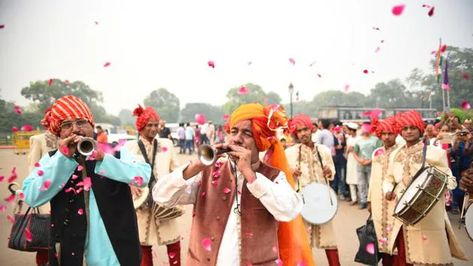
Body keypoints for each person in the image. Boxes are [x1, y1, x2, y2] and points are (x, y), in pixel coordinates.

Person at [153, 103, 314, 266]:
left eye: (247, 133)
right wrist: (196, 166)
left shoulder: (274, 177)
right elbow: (161, 196)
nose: (237, 139)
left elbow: (289, 210)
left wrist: (250, 175)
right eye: (234, 132)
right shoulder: (206, 172)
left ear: (259, 141)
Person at [22, 95, 151, 266]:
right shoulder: (51, 159)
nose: (75, 129)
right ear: (59, 133)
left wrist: (104, 158)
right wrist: (63, 159)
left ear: (91, 125)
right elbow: (30, 196)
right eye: (67, 125)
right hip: (69, 254)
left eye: (81, 122)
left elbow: (143, 176)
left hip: (115, 254)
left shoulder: (116, 151)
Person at [383, 110, 466, 265]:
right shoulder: (395, 155)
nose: (408, 131)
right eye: (405, 128)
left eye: (412, 128)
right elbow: (389, 178)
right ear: (400, 132)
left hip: (429, 212)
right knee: (404, 255)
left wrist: (438, 186)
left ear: (420, 129)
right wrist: (388, 190)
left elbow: (449, 179)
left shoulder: (435, 153)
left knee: (432, 255)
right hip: (403, 212)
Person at [127, 105, 181, 266]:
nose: (153, 128)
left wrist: (175, 187)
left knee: (174, 242)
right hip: (141, 203)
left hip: (163, 200)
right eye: (149, 125)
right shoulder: (130, 147)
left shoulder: (167, 144)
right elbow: (124, 172)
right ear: (141, 126)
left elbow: (176, 169)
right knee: (143, 245)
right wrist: (129, 184)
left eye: (156, 125)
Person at [285, 114, 340, 266]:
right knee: (303, 241)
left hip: (321, 200)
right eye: (299, 131)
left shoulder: (323, 150)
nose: (303, 133)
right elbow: (283, 175)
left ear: (311, 129)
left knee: (329, 239)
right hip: (302, 202)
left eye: (305, 130)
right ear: (296, 134)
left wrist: (329, 172)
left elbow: (332, 173)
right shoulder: (290, 153)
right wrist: (291, 172)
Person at [26, 109, 59, 266]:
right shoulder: (38, 140)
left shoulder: (68, 138)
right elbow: (33, 170)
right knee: (44, 242)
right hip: (45, 198)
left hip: (66, 197)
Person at [367, 116, 399, 265]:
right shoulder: (377, 153)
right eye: (383, 134)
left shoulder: (400, 152)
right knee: (381, 235)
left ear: (396, 134)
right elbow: (372, 178)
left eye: (390, 133)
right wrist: (369, 200)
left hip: (395, 200)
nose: (386, 137)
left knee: (396, 236)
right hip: (378, 201)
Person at [353, 123, 381, 209]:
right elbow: (355, 153)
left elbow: (379, 152)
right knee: (361, 184)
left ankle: (372, 200)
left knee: (371, 183)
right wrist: (359, 160)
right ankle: (363, 201)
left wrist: (371, 160)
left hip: (372, 165)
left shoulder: (376, 140)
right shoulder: (358, 141)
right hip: (360, 165)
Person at [344, 122, 360, 205]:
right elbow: (347, 149)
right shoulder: (348, 139)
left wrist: (353, 149)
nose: (347, 132)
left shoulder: (359, 139)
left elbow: (360, 149)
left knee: (358, 179)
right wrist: (347, 153)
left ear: (352, 131)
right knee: (350, 179)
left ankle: (360, 198)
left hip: (357, 160)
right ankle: (354, 198)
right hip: (350, 160)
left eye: (348, 130)